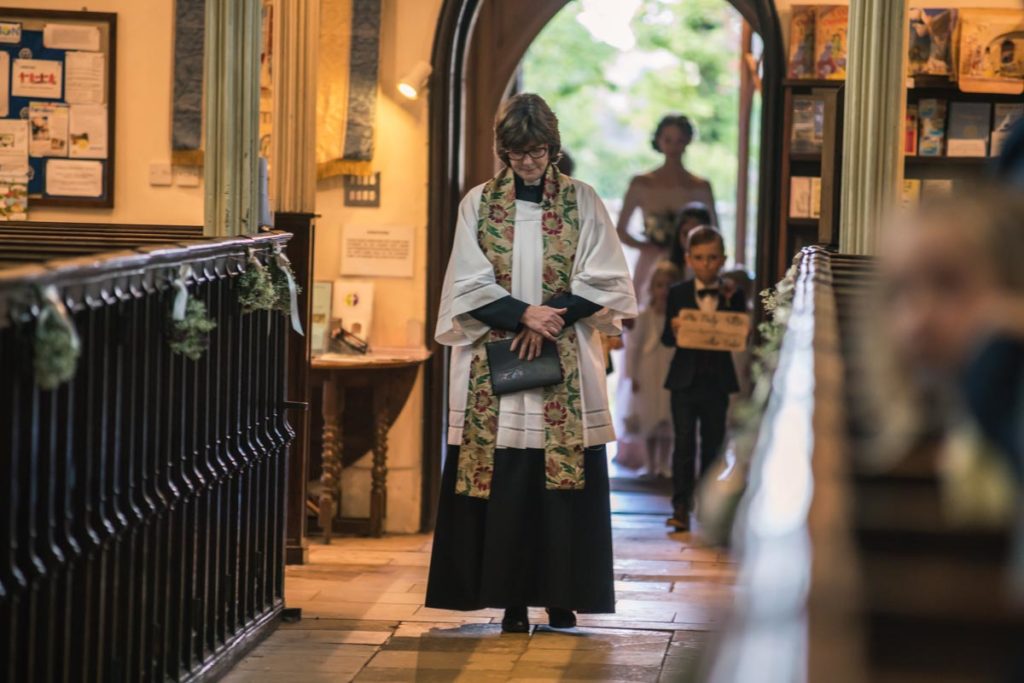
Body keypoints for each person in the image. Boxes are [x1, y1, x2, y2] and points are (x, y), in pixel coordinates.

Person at [426, 93, 637, 633]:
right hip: (494, 365)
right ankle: (512, 602)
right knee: (507, 484)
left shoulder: (583, 201)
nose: (527, 162)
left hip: (564, 359)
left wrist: (551, 319)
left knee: (561, 487)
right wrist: (523, 316)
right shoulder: (478, 202)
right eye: (517, 153)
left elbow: (607, 277)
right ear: (504, 151)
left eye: (537, 151)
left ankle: (562, 597)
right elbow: (468, 280)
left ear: (553, 147)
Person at [661, 226, 746, 531]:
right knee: (683, 444)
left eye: (712, 258)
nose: (706, 264)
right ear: (688, 259)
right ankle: (680, 507)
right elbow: (667, 341)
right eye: (699, 258)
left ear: (722, 259)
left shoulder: (734, 294)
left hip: (717, 381)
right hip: (684, 381)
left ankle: (710, 509)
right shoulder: (677, 293)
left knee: (713, 445)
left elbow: (739, 333)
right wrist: (673, 328)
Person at [617, 115, 719, 308]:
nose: (673, 146)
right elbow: (620, 230)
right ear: (659, 141)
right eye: (668, 140)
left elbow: (713, 231)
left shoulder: (701, 186)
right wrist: (646, 246)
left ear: (687, 141)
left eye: (679, 140)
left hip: (689, 262)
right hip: (651, 264)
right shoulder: (641, 183)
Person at [618, 261, 682, 478]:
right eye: (660, 285)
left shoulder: (679, 316)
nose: (664, 291)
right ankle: (650, 463)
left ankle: (665, 463)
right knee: (649, 417)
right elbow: (633, 347)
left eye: (669, 286)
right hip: (647, 370)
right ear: (652, 287)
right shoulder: (644, 315)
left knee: (667, 416)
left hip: (670, 368)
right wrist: (632, 374)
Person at [667, 201, 714, 275]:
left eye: (695, 234)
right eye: (686, 234)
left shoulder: (714, 268)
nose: (690, 240)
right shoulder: (667, 266)